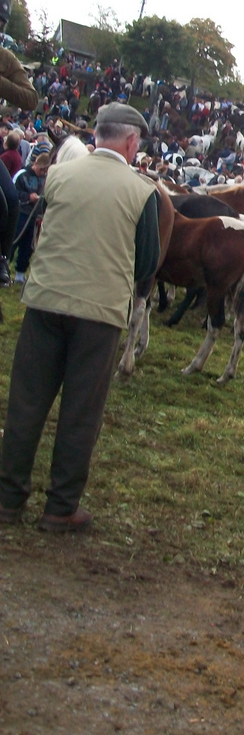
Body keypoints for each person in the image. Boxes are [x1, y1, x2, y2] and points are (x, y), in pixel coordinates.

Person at [0, 103, 162, 532]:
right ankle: (60, 508)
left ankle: (7, 499)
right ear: (131, 142)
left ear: (97, 136)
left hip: (45, 299)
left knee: (26, 403)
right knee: (80, 413)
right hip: (100, 314)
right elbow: (147, 262)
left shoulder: (57, 175)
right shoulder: (141, 191)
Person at [0, 0, 38, 286]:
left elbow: (31, 98)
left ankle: (1, 258)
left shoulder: (5, 58)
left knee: (11, 200)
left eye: (2, 22)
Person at [11, 143, 51, 283]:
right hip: (20, 214)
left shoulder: (46, 179)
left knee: (27, 247)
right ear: (36, 164)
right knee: (12, 242)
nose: (42, 173)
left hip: (34, 217)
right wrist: (28, 197)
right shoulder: (21, 175)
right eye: (41, 170)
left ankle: (20, 274)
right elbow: (12, 193)